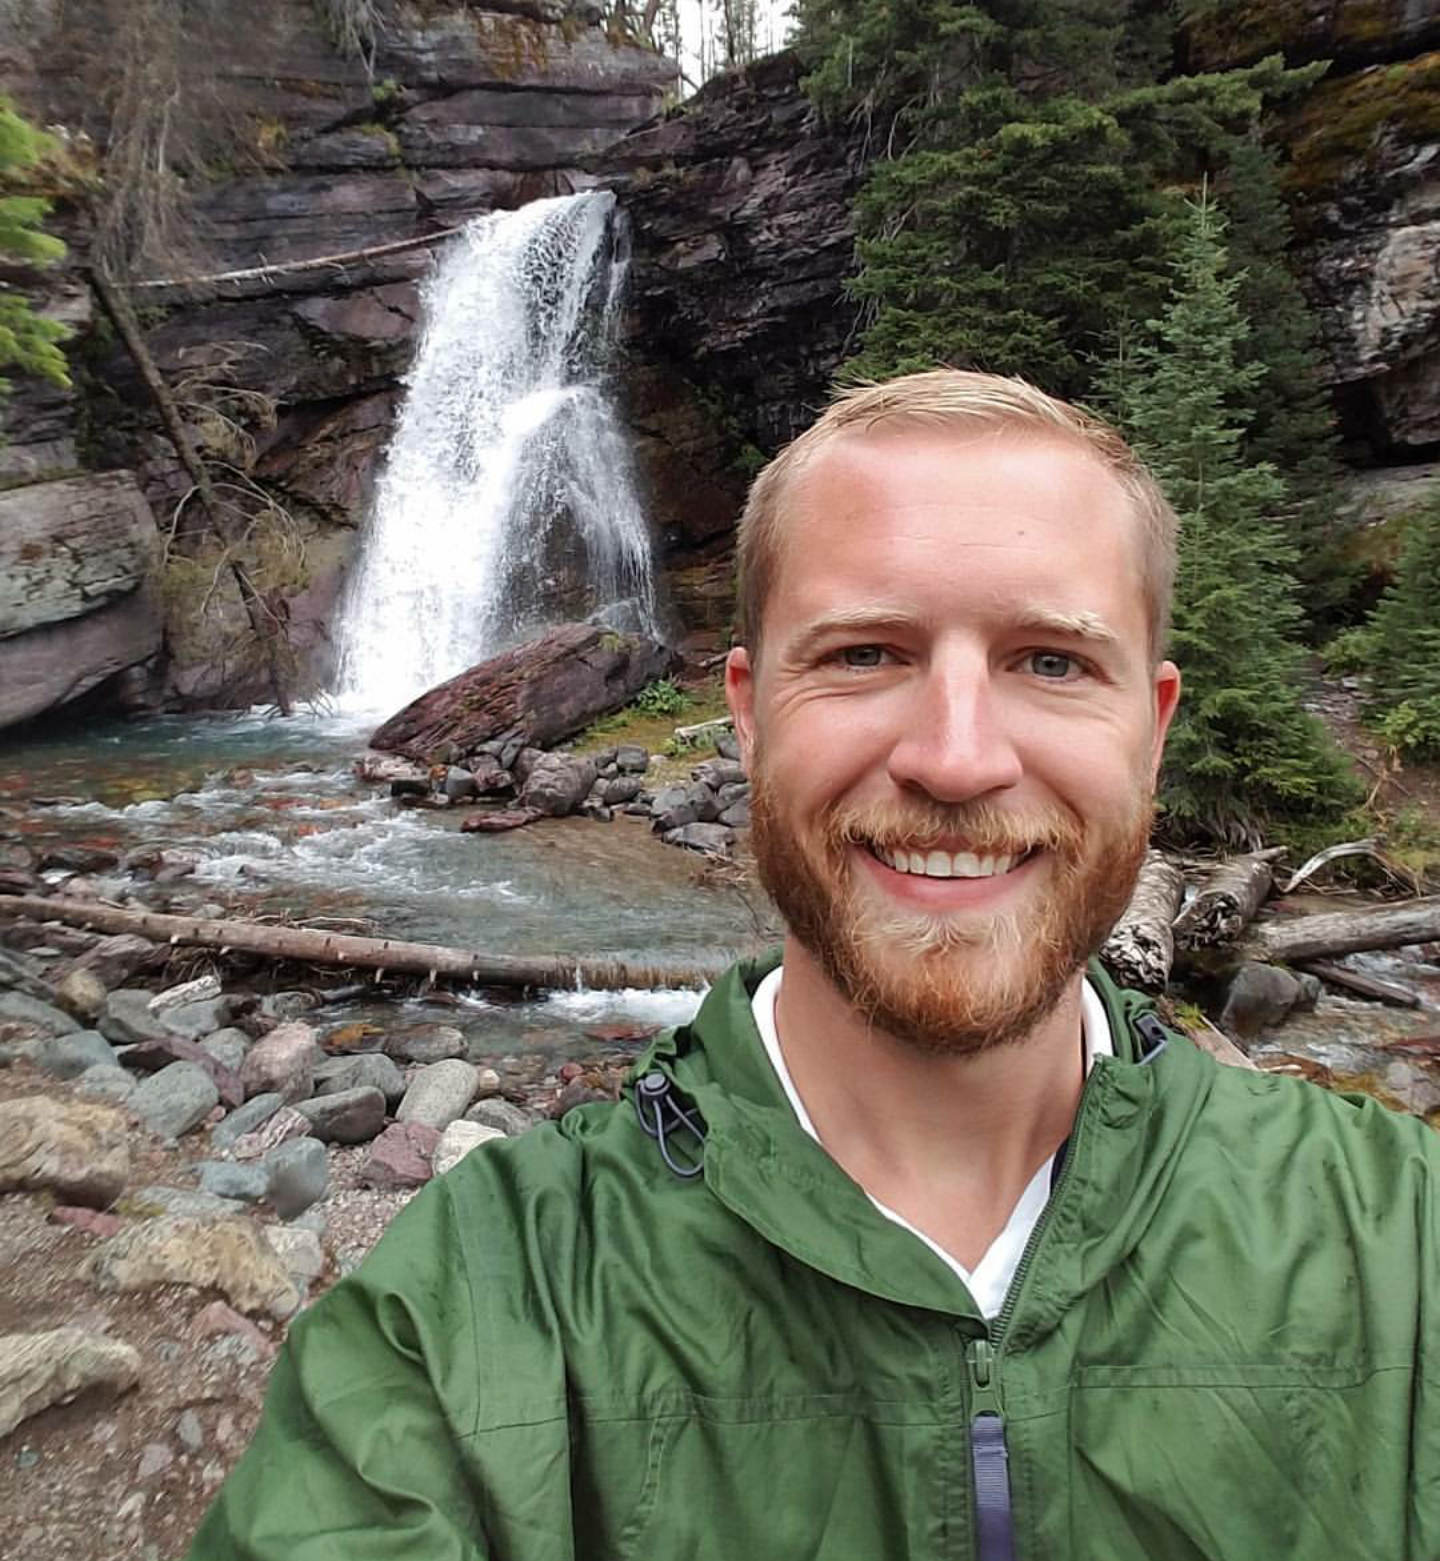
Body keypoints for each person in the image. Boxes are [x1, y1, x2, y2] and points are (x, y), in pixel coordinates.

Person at [187, 371, 1440, 1561]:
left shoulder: (1403, 1240)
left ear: (1153, 729)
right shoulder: (479, 1301)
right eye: (863, 655)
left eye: (1051, 662)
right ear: (746, 711)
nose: (956, 759)